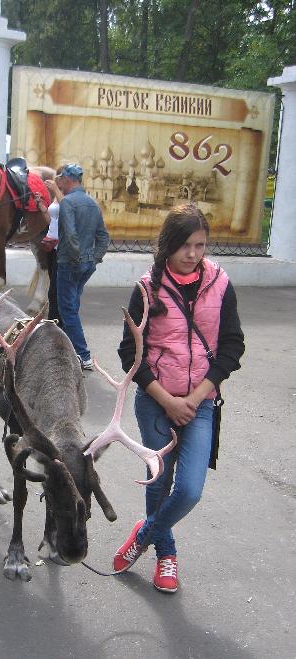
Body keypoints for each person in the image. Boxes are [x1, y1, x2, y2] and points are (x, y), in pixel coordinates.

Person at [114, 203, 245, 593]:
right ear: (168, 246)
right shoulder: (146, 288)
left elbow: (232, 346)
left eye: (200, 245)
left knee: (189, 489)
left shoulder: (220, 283)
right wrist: (167, 399)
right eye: (185, 245)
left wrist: (196, 396)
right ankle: (166, 555)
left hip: (201, 403)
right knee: (159, 481)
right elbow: (128, 353)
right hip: (155, 401)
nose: (193, 253)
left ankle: (145, 533)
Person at [55, 163, 110, 370]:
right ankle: (71, 349)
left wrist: (77, 258)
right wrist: (94, 258)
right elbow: (103, 236)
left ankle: (82, 354)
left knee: (67, 309)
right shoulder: (92, 203)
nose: (58, 182)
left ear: (68, 179)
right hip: (87, 264)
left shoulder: (68, 202)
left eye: (60, 178)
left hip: (70, 263)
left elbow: (70, 235)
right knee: (73, 306)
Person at [35, 171, 64, 323]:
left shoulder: (68, 196)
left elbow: (67, 209)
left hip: (63, 247)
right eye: (56, 176)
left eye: (60, 177)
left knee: (57, 289)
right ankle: (54, 319)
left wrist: (56, 190)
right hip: (52, 245)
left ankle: (56, 320)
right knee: (53, 285)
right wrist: (42, 207)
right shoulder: (56, 195)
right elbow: (51, 221)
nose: (57, 179)